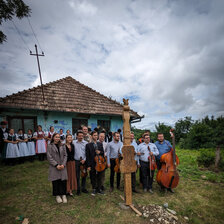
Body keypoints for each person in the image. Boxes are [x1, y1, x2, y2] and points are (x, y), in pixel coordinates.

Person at [47, 133, 68, 204]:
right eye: (56, 137)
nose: (57, 138)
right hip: (54, 166)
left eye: (59, 137)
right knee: (56, 181)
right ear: (53, 138)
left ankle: (64, 194)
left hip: (62, 166)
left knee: (63, 181)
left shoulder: (62, 145)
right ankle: (57, 195)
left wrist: (63, 164)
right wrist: (56, 165)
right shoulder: (50, 146)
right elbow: (49, 157)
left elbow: (65, 155)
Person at [86, 131, 105, 196]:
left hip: (99, 163)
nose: (96, 137)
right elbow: (87, 156)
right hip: (92, 163)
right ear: (91, 136)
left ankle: (99, 189)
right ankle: (94, 188)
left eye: (96, 135)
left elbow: (103, 153)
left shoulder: (100, 144)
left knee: (99, 176)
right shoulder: (88, 145)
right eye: (94, 135)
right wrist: (88, 165)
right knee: (93, 176)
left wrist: (100, 152)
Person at [73, 130, 88, 195]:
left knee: (84, 174)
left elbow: (87, 153)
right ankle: (78, 189)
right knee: (77, 175)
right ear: (77, 136)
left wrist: (84, 159)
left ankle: (83, 188)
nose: (81, 137)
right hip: (76, 161)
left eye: (82, 136)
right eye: (79, 136)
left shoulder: (86, 143)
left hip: (84, 161)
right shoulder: (73, 143)